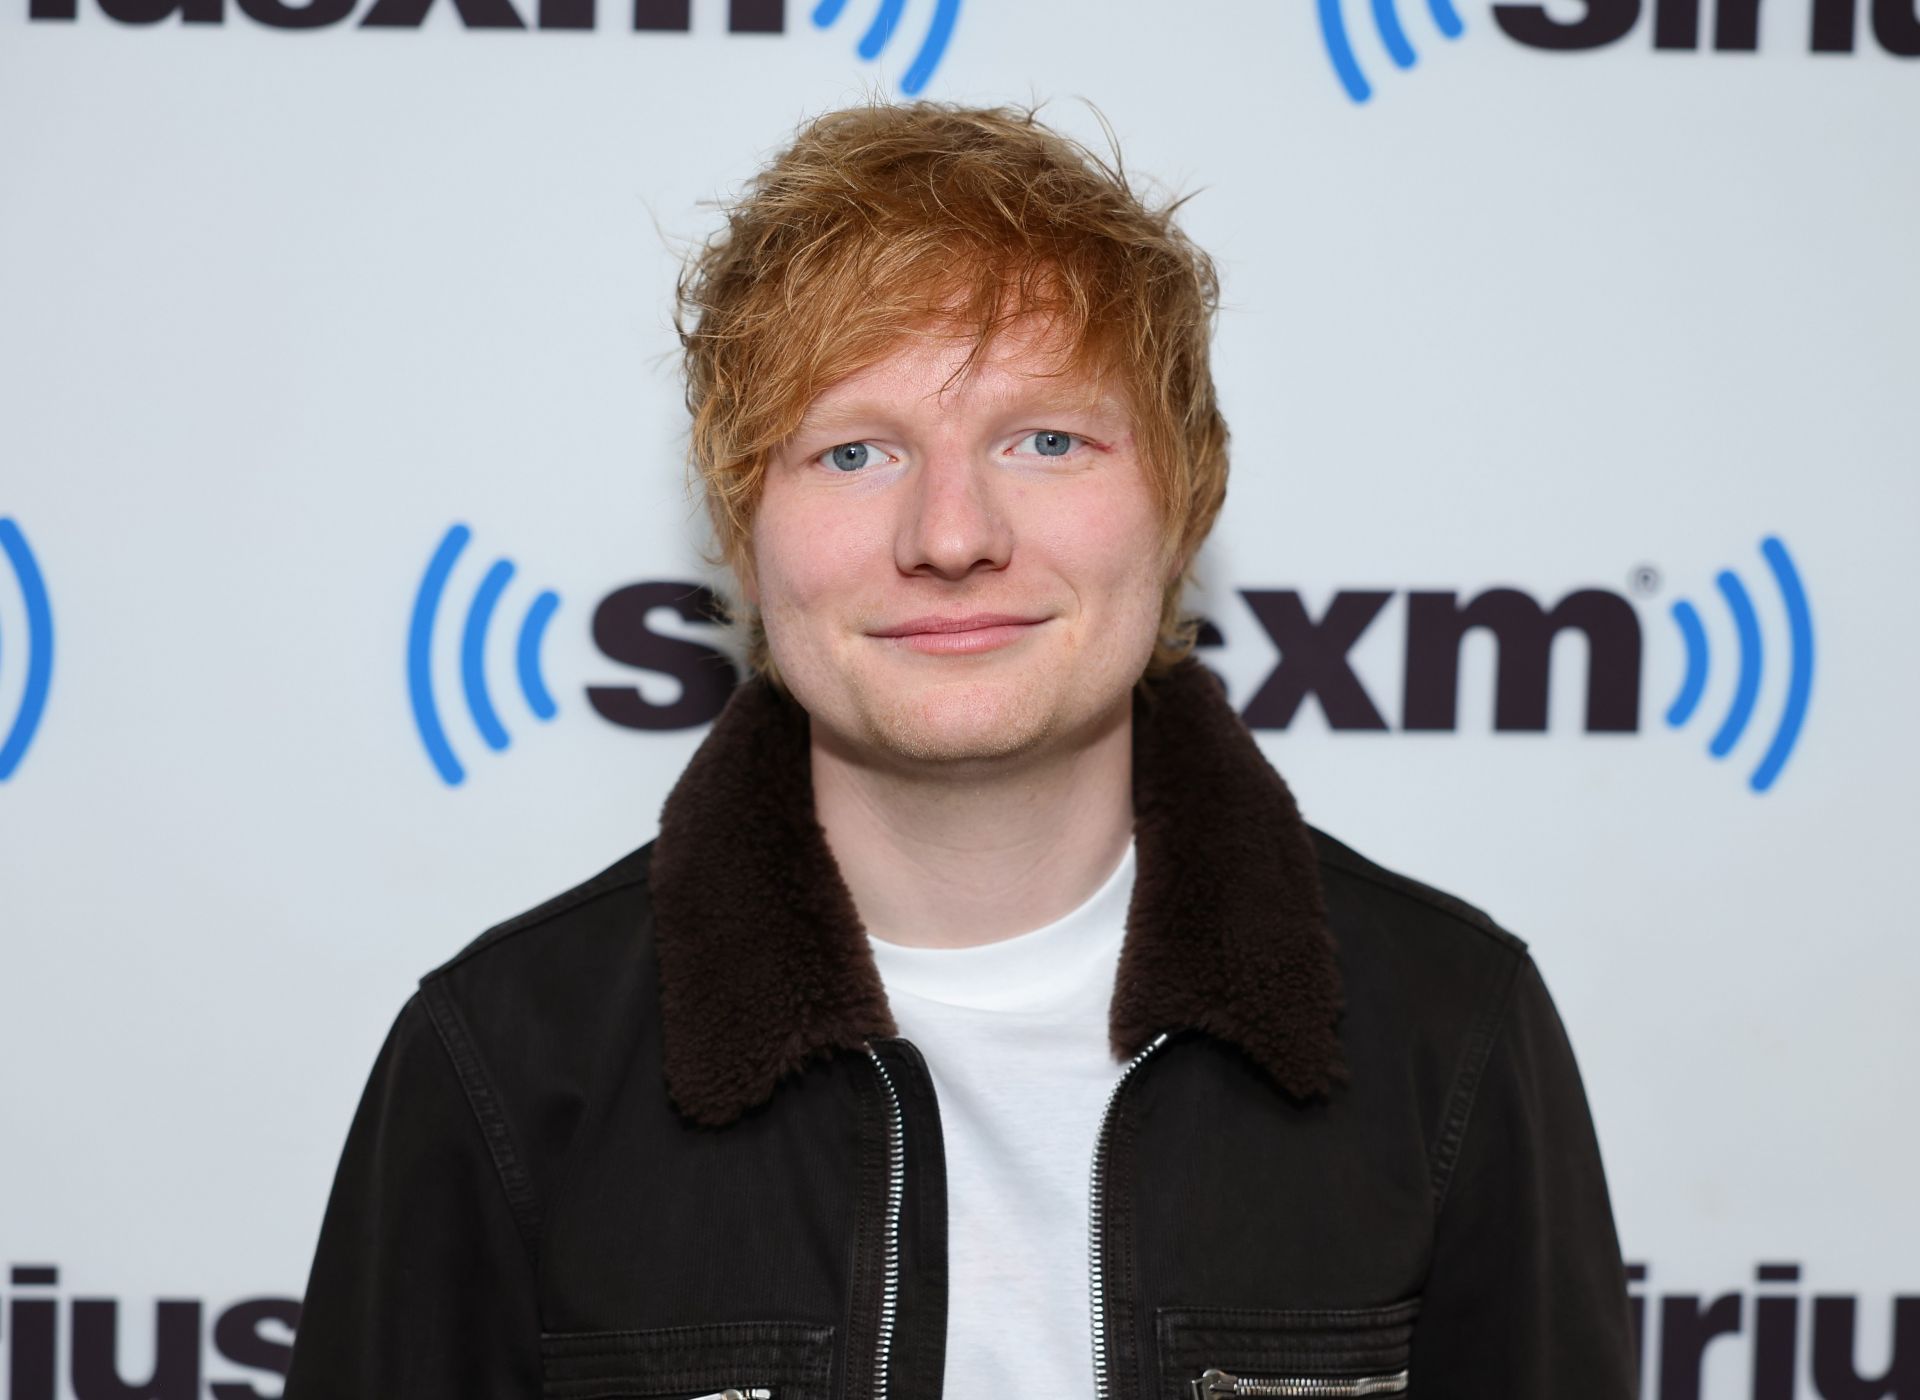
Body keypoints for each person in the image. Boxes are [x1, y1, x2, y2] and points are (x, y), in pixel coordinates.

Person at [283, 101, 1636, 1400]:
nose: (950, 533)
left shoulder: (1448, 1034)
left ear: (1184, 499)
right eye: (855, 452)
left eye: (1045, 439)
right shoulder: (506, 1064)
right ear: (740, 524)